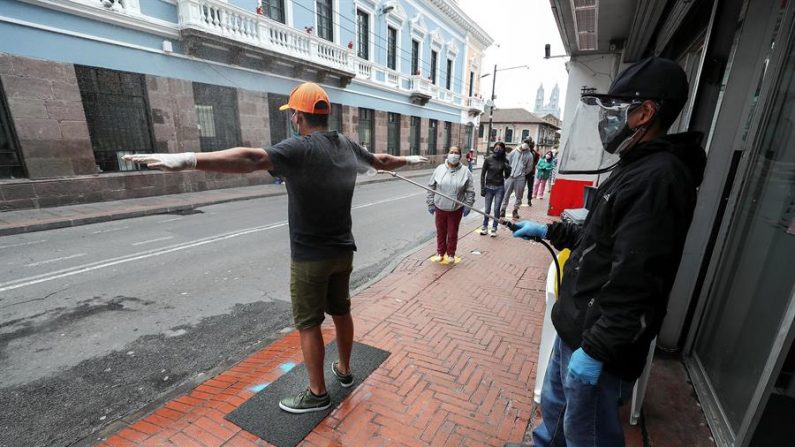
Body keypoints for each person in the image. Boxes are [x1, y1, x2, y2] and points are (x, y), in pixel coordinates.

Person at [123, 82, 428, 414]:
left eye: (292, 115)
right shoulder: (346, 145)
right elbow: (382, 160)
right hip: (343, 252)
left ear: (297, 116)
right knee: (341, 312)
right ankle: (344, 370)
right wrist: (411, 159)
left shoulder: (299, 149)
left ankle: (317, 394)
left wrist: (187, 159)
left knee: (309, 324)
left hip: (311, 258)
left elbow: (252, 157)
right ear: (324, 115)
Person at [507, 57, 706, 447]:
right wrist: (548, 230)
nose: (606, 121)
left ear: (645, 112)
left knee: (588, 435)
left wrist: (595, 352)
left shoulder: (659, 179)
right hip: (577, 324)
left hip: (598, 342)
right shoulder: (634, 165)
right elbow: (598, 234)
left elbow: (638, 280)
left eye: (615, 110)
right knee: (556, 413)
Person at [427, 146, 475, 265]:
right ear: (448, 154)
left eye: (456, 153)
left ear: (460, 156)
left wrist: (468, 205)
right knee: (441, 232)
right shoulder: (439, 169)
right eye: (451, 152)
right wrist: (430, 203)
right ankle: (440, 252)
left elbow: (470, 191)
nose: (453, 155)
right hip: (440, 207)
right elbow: (431, 186)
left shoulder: (465, 171)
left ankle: (451, 253)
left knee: (452, 232)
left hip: (455, 209)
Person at [479, 142, 511, 237]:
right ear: (494, 149)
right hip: (488, 187)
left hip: (499, 188)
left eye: (500, 149)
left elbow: (507, 176)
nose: (498, 150)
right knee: (487, 209)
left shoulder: (505, 160)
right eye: (496, 148)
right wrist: (482, 188)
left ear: (503, 150)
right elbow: (482, 175)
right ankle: (484, 227)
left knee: (497, 209)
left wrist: (508, 168)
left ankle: (494, 228)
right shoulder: (488, 159)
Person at [499, 142, 534, 220]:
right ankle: (503, 209)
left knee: (519, 195)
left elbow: (529, 167)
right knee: (506, 194)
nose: (522, 149)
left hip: (520, 178)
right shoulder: (514, 151)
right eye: (522, 148)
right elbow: (508, 161)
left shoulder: (530, 155)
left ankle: (515, 210)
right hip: (510, 176)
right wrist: (509, 170)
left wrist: (523, 173)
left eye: (524, 149)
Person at [524, 140, 541, 206]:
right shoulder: (524, 152)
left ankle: (529, 200)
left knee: (530, 187)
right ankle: (519, 199)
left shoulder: (535, 153)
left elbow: (537, 160)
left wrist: (533, 166)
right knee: (521, 187)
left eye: (532, 144)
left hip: (531, 172)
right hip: (524, 172)